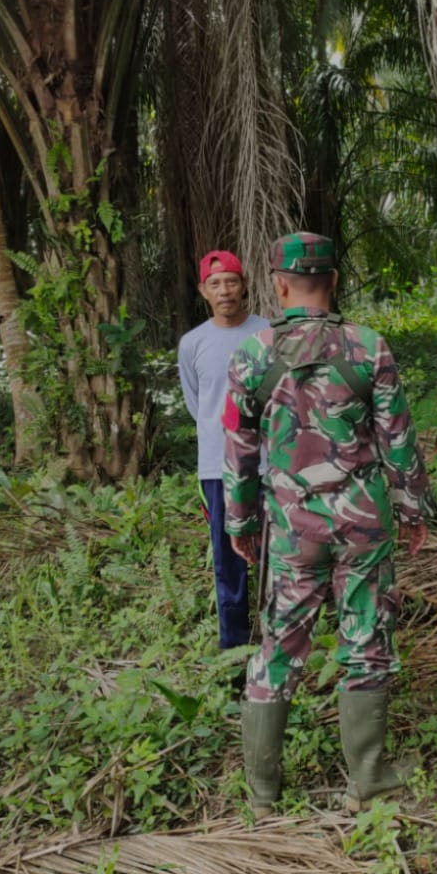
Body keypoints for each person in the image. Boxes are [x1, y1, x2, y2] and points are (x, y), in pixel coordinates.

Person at [222, 232, 433, 817]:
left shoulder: (253, 355)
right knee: (365, 639)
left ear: (277, 283)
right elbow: (399, 441)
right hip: (362, 521)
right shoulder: (368, 348)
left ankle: (263, 795)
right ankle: (368, 780)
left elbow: (238, 452)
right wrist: (414, 507)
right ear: (334, 280)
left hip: (291, 527)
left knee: (279, 643)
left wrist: (240, 522)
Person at [178, 250, 269, 653]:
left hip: (269, 465)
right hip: (217, 466)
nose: (224, 290)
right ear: (203, 291)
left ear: (244, 284)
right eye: (215, 284)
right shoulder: (192, 343)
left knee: (276, 553)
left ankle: (278, 640)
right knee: (227, 559)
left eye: (231, 281)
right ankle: (234, 647)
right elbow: (198, 405)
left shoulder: (269, 333)